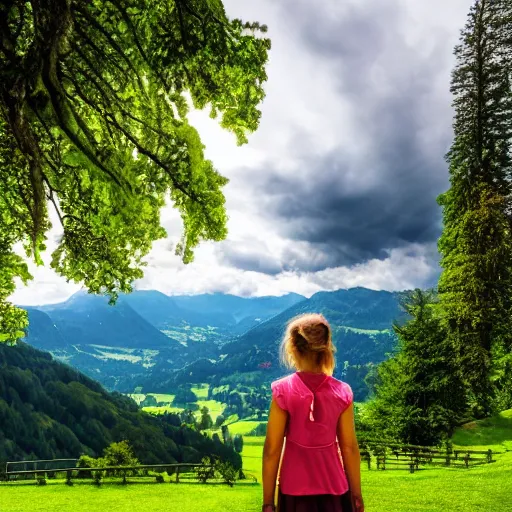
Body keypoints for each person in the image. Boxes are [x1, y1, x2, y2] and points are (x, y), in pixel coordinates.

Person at [262, 313, 364, 512]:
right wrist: (356, 495)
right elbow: (349, 448)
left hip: (293, 492)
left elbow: (272, 451)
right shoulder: (342, 392)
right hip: (335, 490)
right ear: (326, 348)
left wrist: (268, 502)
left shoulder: (283, 391)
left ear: (292, 349)